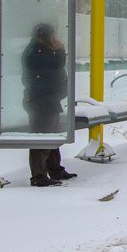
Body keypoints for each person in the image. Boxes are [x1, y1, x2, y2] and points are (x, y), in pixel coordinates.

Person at [22, 23, 76, 187]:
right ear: (44, 36)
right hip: (40, 99)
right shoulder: (36, 51)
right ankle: (38, 175)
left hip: (48, 99)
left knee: (52, 134)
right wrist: (59, 51)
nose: (55, 39)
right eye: (52, 35)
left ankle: (55, 169)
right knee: (42, 137)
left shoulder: (43, 50)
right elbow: (53, 66)